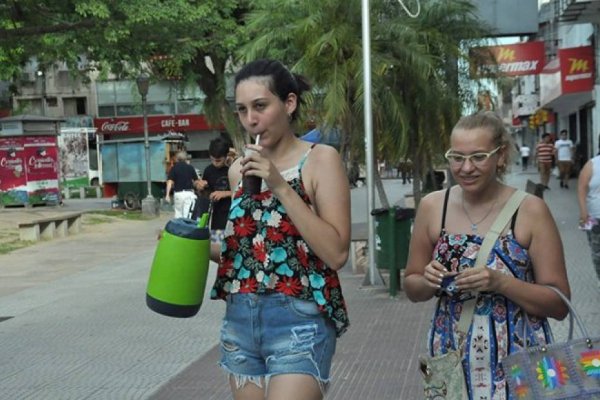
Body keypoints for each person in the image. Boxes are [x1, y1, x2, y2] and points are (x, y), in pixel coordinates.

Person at [209, 59, 351, 400]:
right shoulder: (237, 172)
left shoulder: (320, 159)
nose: (250, 120)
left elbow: (336, 253)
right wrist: (188, 245)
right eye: (242, 110)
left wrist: (280, 184)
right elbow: (246, 254)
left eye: (260, 106)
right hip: (241, 319)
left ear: (289, 103)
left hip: (298, 319)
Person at [404, 111, 570, 400]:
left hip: (522, 365)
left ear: (501, 156)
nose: (466, 167)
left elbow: (559, 303)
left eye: (479, 156)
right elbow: (412, 286)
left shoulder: (530, 211)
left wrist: (501, 283)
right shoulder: (433, 206)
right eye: (457, 157)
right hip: (452, 360)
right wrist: (429, 280)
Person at [196, 137, 232, 240]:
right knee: (217, 244)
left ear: (226, 156)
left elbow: (242, 191)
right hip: (217, 215)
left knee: (232, 246)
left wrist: (225, 193)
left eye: (219, 160)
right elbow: (207, 195)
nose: (215, 163)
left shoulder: (232, 169)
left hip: (233, 214)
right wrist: (202, 188)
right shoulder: (208, 170)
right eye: (212, 160)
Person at [577, 154, 600, 287]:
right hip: (595, 216)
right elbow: (581, 188)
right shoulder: (592, 164)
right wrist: (583, 212)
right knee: (597, 251)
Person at [165, 151, 199, 218]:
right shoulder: (190, 167)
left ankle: (179, 227)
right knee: (187, 215)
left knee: (178, 214)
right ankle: (186, 227)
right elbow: (196, 181)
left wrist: (167, 195)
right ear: (185, 158)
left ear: (177, 159)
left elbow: (170, 182)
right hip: (189, 193)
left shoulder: (174, 168)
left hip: (178, 194)